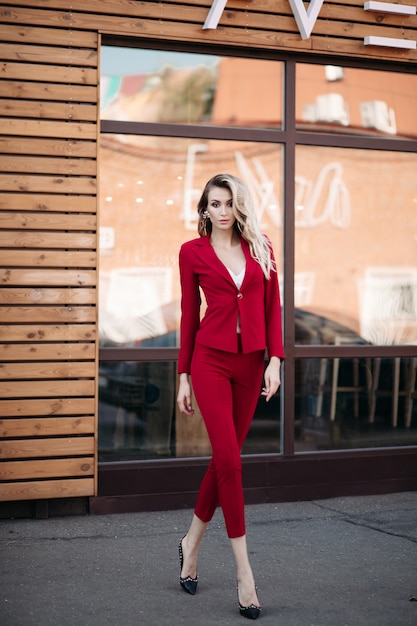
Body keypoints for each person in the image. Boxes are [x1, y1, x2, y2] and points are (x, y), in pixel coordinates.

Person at [176, 173, 284, 620]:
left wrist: (275, 361)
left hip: (250, 364)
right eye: (212, 205)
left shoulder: (262, 247)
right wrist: (182, 374)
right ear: (204, 209)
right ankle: (245, 575)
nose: (220, 212)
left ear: (239, 206)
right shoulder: (192, 252)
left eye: (227, 204)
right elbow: (188, 313)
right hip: (210, 362)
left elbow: (274, 306)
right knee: (233, 463)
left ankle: (190, 543)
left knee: (225, 461)